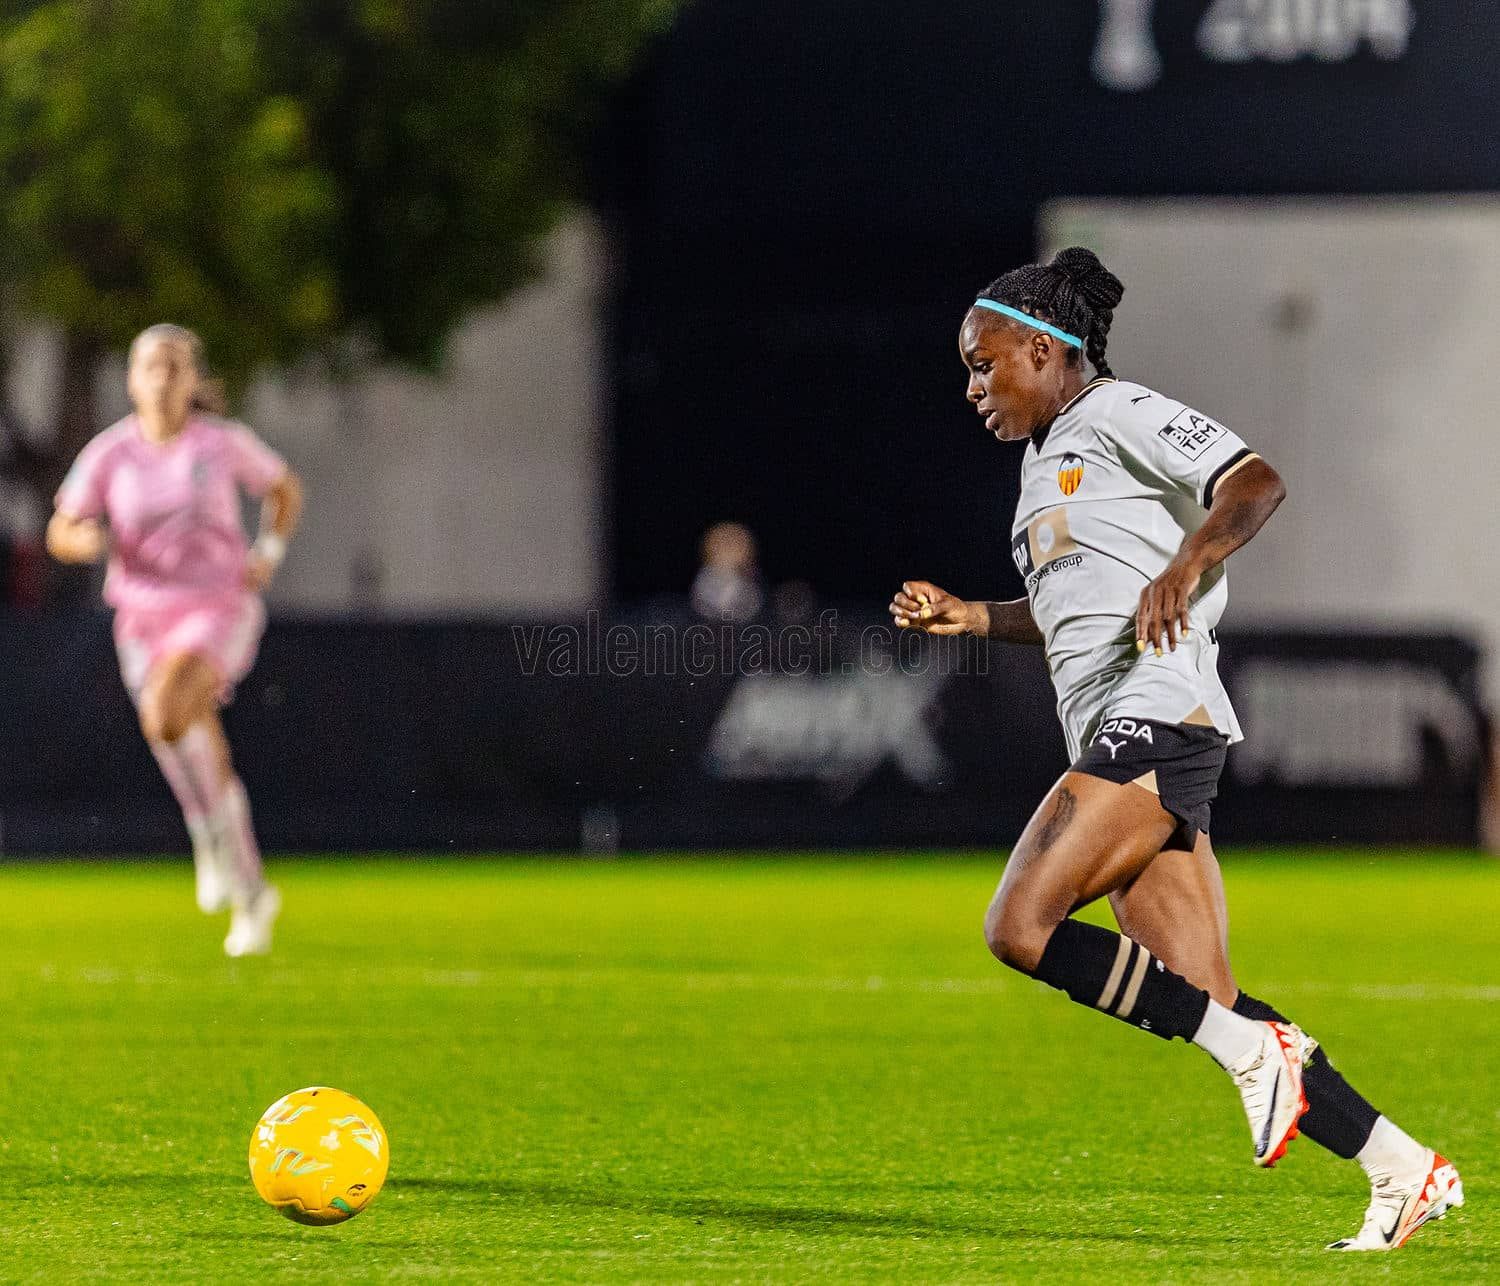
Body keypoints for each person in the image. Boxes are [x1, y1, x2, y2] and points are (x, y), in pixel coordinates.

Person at [889, 248, 1462, 1252]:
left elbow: (1256, 480)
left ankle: (1256, 1056)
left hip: (1157, 714)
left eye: (985, 365)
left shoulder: (1116, 412)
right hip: (1127, 720)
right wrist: (973, 616)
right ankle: (1402, 1169)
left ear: (1040, 346)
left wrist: (1189, 564)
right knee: (1209, 994)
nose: (974, 387)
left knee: (1020, 925)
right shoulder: (1044, 463)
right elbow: (1075, 609)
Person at [47, 324, 303, 956]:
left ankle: (209, 839)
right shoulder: (110, 454)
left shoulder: (219, 445)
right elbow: (63, 526)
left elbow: (283, 488)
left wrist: (268, 550)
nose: (162, 378)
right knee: (179, 737)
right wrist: (86, 541)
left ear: (192, 380)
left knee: (167, 710)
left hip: (216, 607)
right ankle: (248, 890)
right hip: (141, 617)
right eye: (151, 367)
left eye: (174, 366)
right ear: (131, 379)